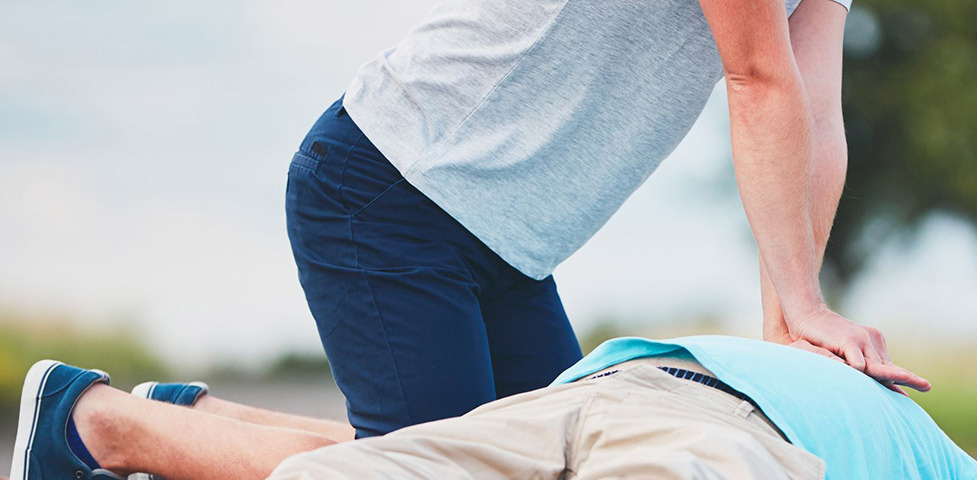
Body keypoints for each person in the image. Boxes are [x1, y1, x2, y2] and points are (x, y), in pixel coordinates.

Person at [284, 0, 929, 439]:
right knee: (439, 473)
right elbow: (757, 76)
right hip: (391, 186)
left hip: (513, 248)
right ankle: (179, 434)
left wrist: (787, 331)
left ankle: (187, 417)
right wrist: (805, 306)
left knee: (560, 467)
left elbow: (814, 117)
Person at [10, 336, 977, 480]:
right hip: (711, 431)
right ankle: (103, 420)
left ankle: (125, 418)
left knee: (354, 472)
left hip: (634, 382)